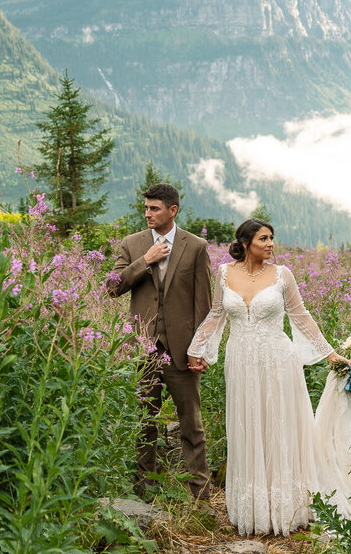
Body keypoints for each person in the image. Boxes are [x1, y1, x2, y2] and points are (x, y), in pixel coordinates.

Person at [187, 218, 351, 535]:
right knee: (247, 427)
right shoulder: (225, 273)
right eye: (264, 239)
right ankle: (255, 507)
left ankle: (289, 506)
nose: (271, 244)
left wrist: (330, 353)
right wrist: (197, 348)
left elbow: (301, 316)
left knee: (280, 429)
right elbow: (216, 314)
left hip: (280, 363)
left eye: (272, 238)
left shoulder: (283, 275)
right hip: (240, 363)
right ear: (244, 243)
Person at [111, 183, 214, 500]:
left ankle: (200, 497)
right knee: (144, 423)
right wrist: (145, 259)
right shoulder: (133, 244)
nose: (147, 214)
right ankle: (145, 495)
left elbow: (204, 305)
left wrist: (200, 350)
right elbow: (112, 286)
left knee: (192, 427)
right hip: (143, 350)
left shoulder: (195, 247)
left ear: (173, 210)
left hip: (182, 352)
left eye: (154, 208)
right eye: (145, 208)